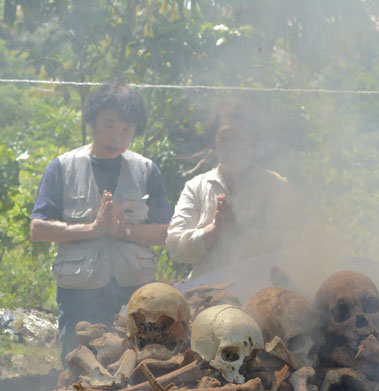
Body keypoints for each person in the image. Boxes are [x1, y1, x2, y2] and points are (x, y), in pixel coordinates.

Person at [30, 81, 172, 360]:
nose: (118, 136)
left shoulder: (146, 170)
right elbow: (39, 228)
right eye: (110, 125)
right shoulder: (63, 167)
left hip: (135, 295)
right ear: (92, 119)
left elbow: (165, 233)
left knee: (138, 367)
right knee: (79, 369)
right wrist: (92, 229)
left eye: (126, 129)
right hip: (79, 296)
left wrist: (125, 232)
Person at [166, 102, 297, 279]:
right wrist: (214, 231)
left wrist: (235, 229)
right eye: (225, 137)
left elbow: (287, 245)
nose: (233, 145)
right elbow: (175, 248)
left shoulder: (276, 185)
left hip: (260, 296)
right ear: (213, 141)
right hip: (205, 295)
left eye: (241, 137)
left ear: (253, 142)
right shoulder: (195, 187)